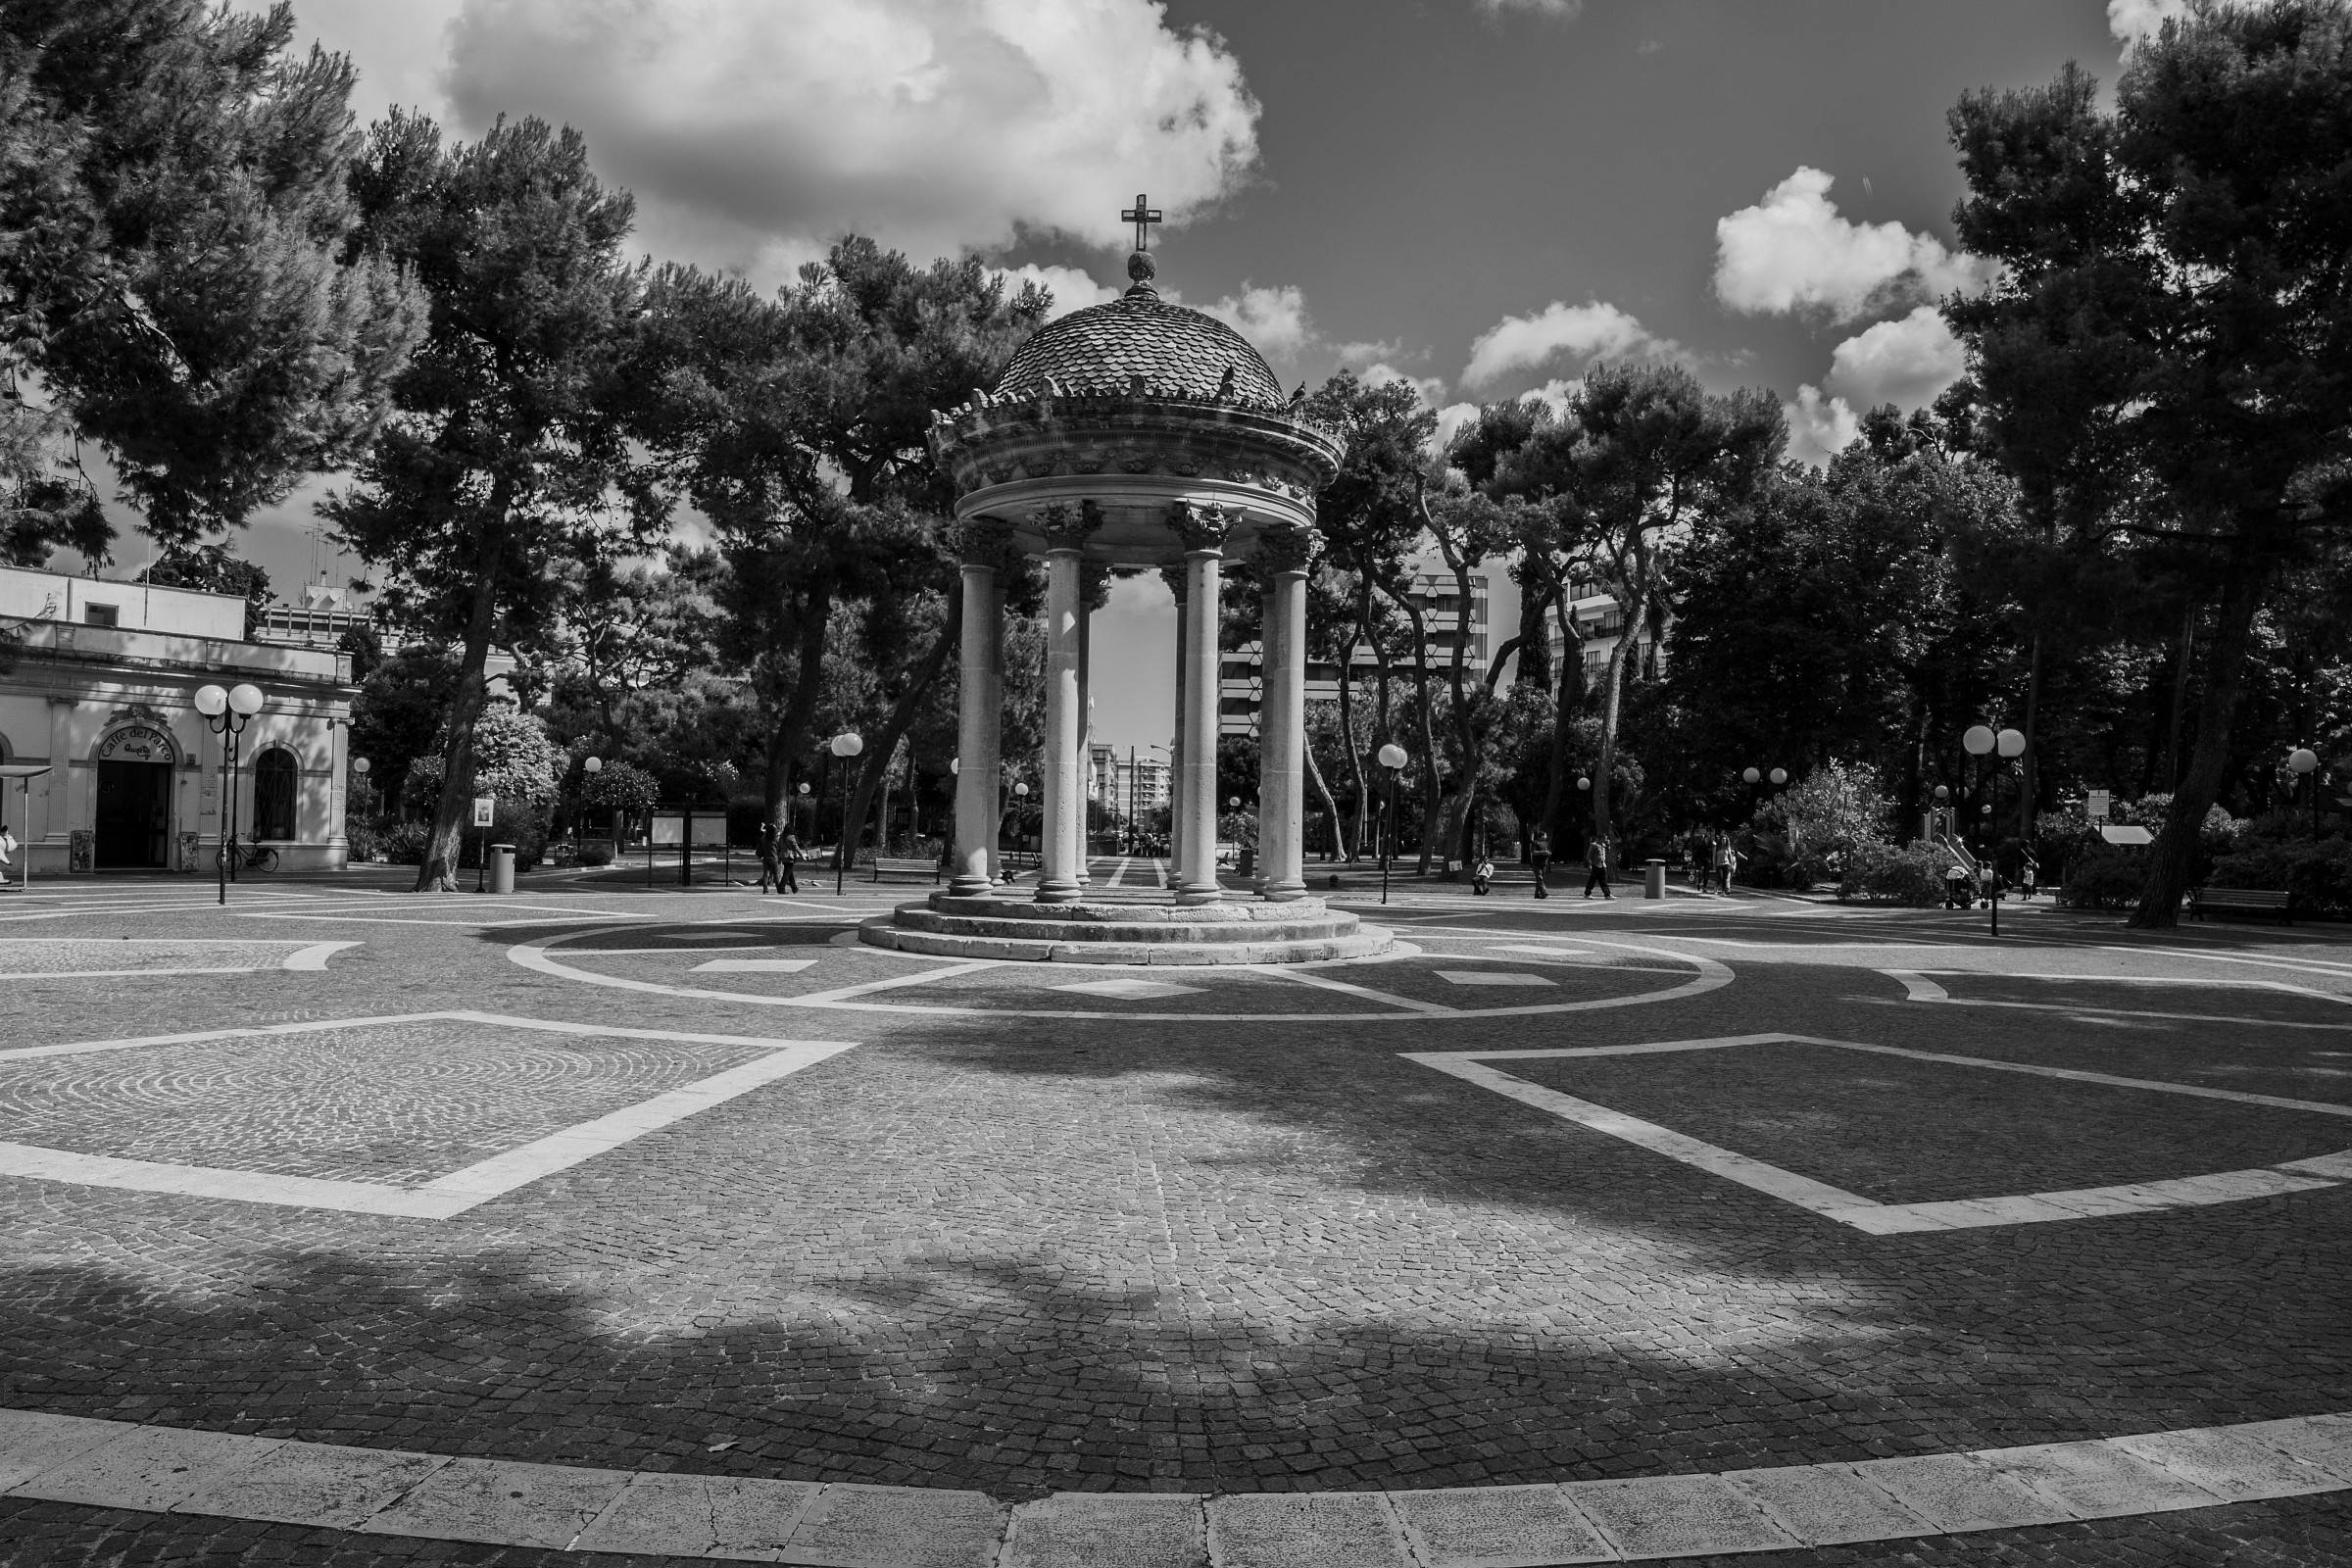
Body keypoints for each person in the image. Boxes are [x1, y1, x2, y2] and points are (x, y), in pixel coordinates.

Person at [1583, 834, 1613, 899]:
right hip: (1595, 865)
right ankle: (1587, 894)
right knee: (1592, 881)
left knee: (1603, 880)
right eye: (1605, 838)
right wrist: (1590, 865)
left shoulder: (1603, 845)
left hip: (1602, 865)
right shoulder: (1594, 845)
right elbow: (1588, 856)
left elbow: (1608, 852)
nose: (1606, 840)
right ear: (1601, 838)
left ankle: (1607, 894)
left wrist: (1609, 845)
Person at [756, 822, 780, 895]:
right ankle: (779, 889)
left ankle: (765, 889)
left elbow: (760, 847)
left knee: (766, 874)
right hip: (774, 858)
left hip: (765, 858)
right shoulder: (775, 839)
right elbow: (779, 847)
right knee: (775, 874)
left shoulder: (764, 838)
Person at [777, 826, 803, 894]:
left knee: (789, 872)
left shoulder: (781, 837)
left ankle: (794, 888)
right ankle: (781, 888)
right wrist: (801, 854)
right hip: (789, 856)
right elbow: (795, 846)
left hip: (782, 856)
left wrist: (778, 856)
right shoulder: (791, 837)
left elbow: (779, 847)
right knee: (787, 873)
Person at [1529, 828, 1550, 900]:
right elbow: (1533, 852)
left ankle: (1537, 894)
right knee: (1539, 878)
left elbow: (1547, 851)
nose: (1546, 836)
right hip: (1536, 863)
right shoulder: (1535, 843)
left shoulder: (1546, 843)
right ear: (1541, 836)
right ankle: (1544, 892)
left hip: (1544, 863)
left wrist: (1548, 853)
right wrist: (1542, 852)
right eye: (1545, 835)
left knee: (1540, 879)